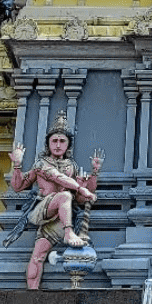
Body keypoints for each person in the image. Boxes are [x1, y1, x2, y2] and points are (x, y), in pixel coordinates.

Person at [9, 117, 101, 290]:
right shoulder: (41, 164)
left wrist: (92, 175)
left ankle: (32, 293)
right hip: (42, 210)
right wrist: (17, 165)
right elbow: (18, 185)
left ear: (67, 145)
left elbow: (82, 200)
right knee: (65, 195)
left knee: (38, 256)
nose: (58, 145)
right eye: (54, 141)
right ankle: (69, 233)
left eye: (62, 141)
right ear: (48, 144)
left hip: (59, 218)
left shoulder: (71, 166)